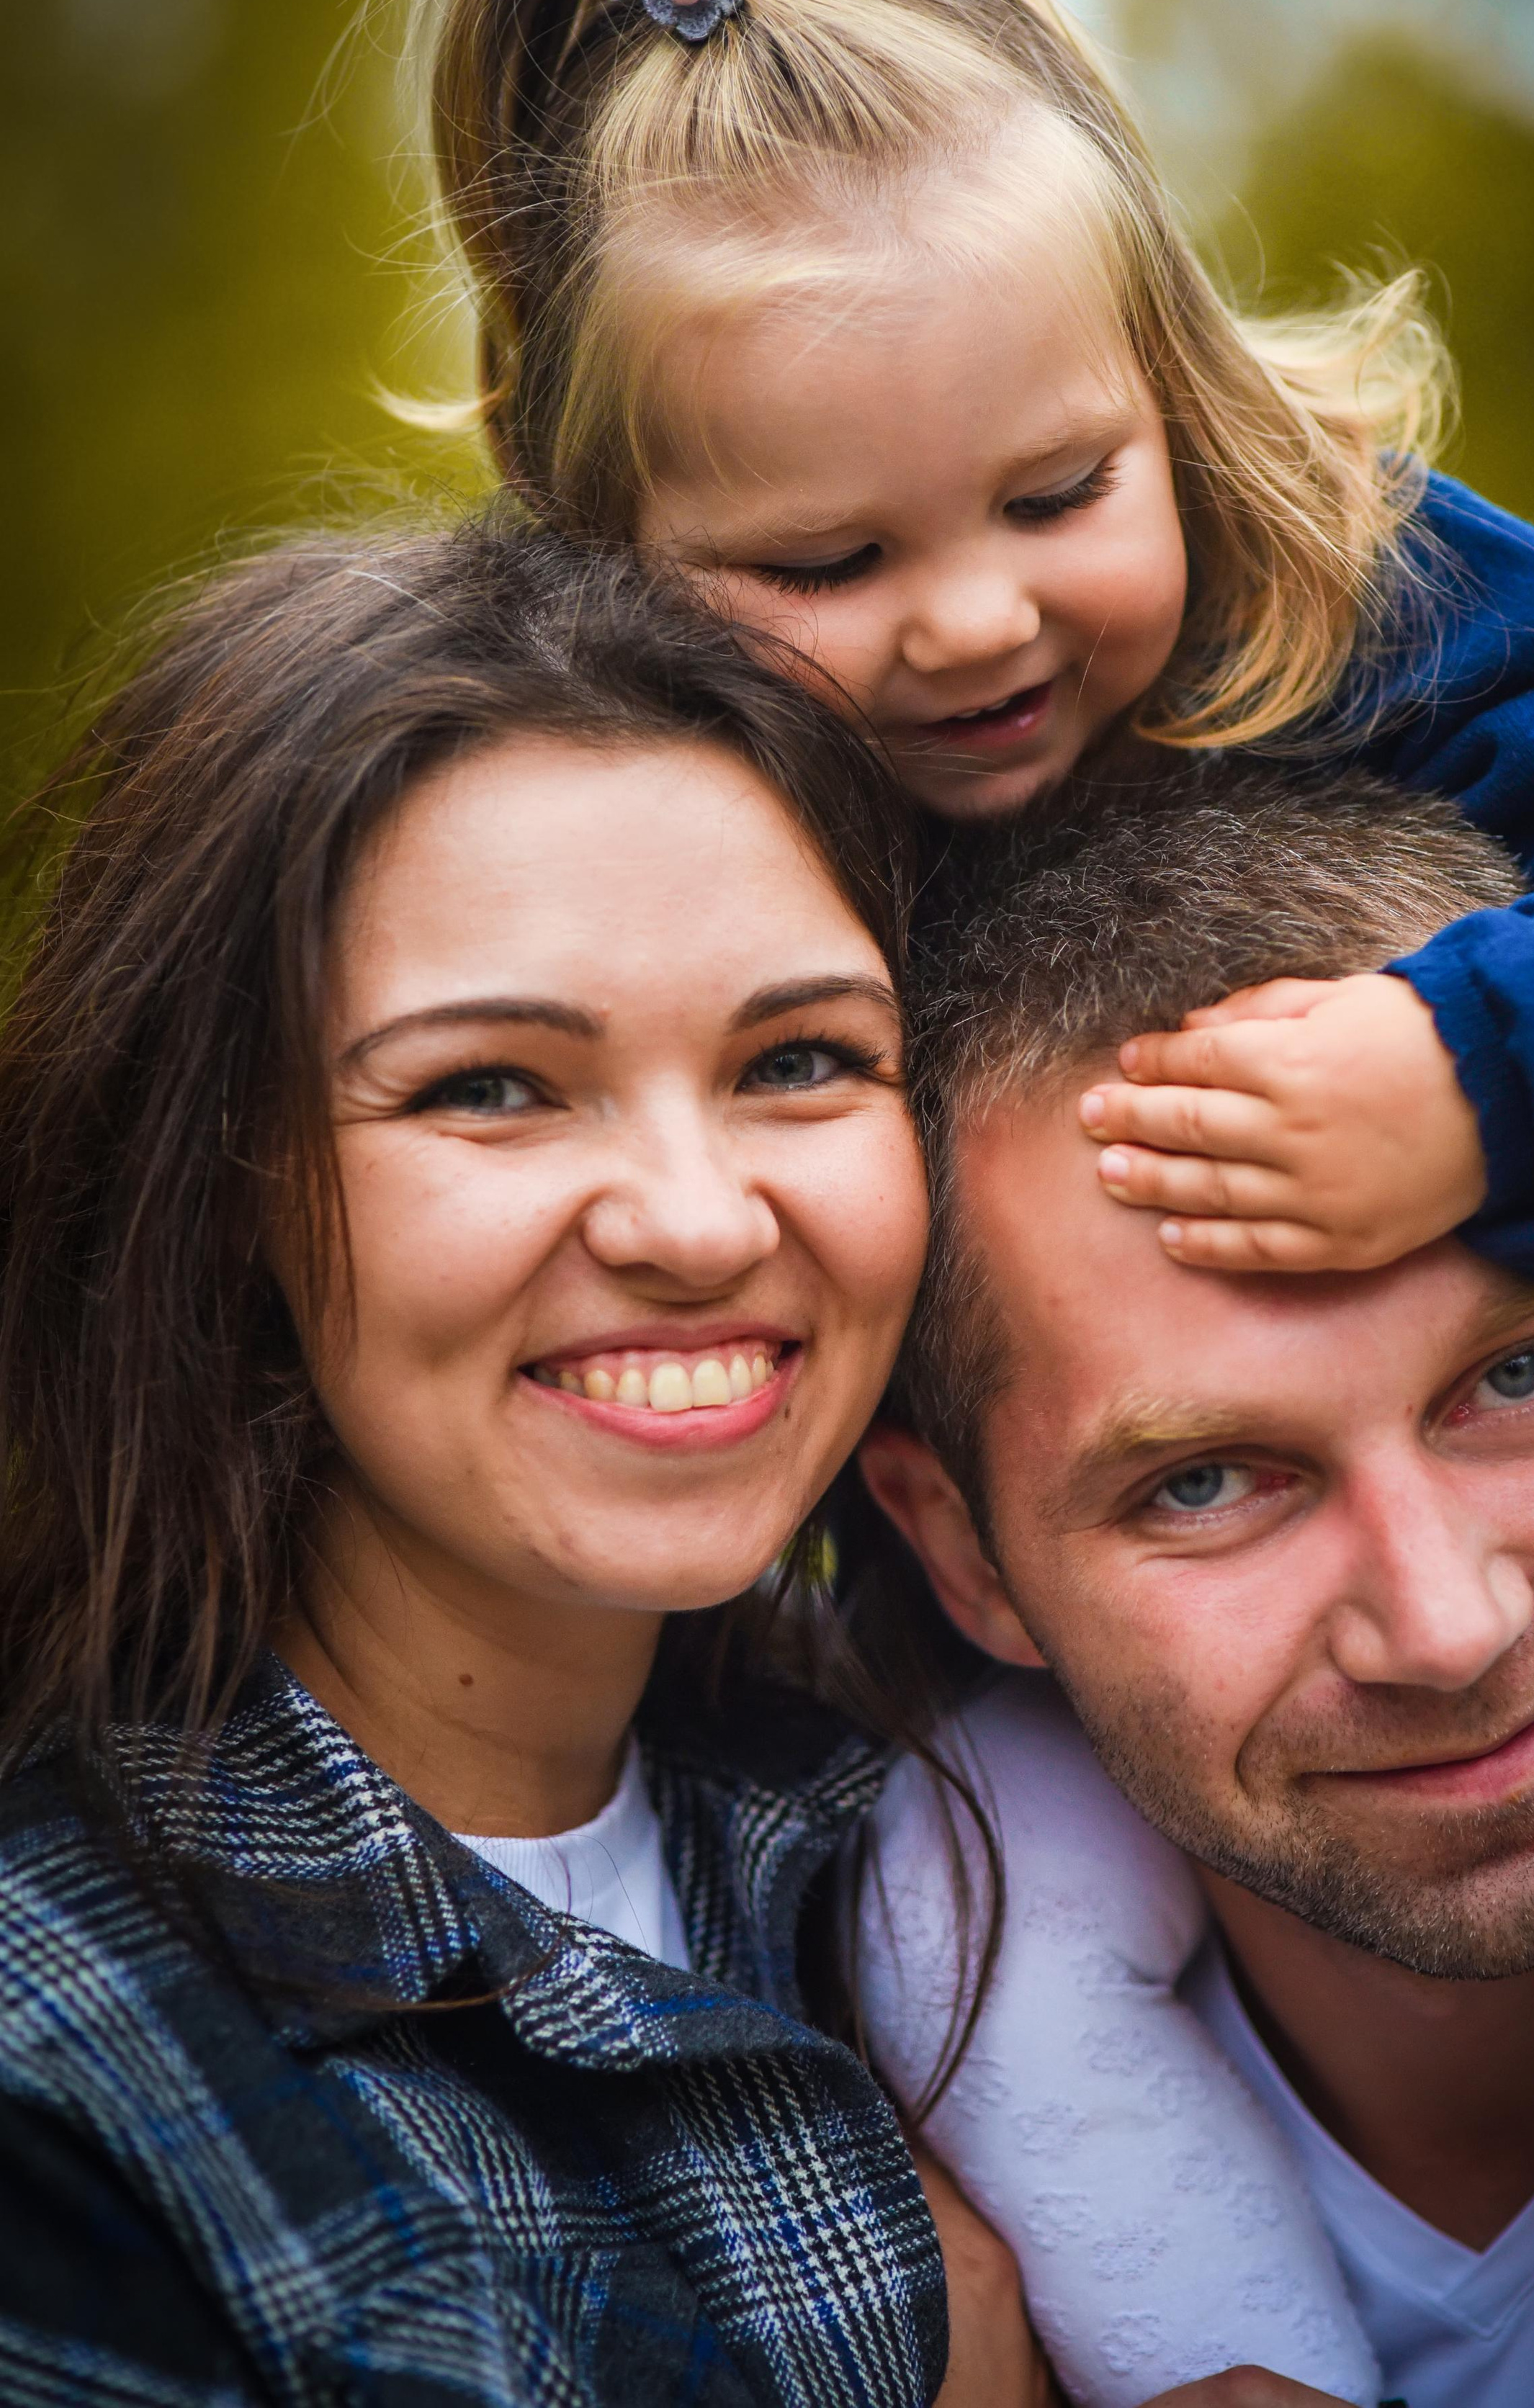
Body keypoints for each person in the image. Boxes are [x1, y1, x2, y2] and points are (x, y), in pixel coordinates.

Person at [416, 0, 1534, 1340]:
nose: (972, 622)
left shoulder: (1355, 584)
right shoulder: (629, 806)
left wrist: (1482, 1084)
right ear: (609, 554)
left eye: (1054, 497)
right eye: (827, 563)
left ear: (1168, 392)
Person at [0, 511, 956, 2407]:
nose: (696, 1222)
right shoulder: (56, 2082)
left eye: (800, 1060)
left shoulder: (985, 1809)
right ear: (221, 1194)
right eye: (492, 1085)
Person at [843, 762, 1534, 2408]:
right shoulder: (852, 2263)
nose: (1447, 1629)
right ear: (964, 1554)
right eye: (1206, 1483)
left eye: (1519, 1379)